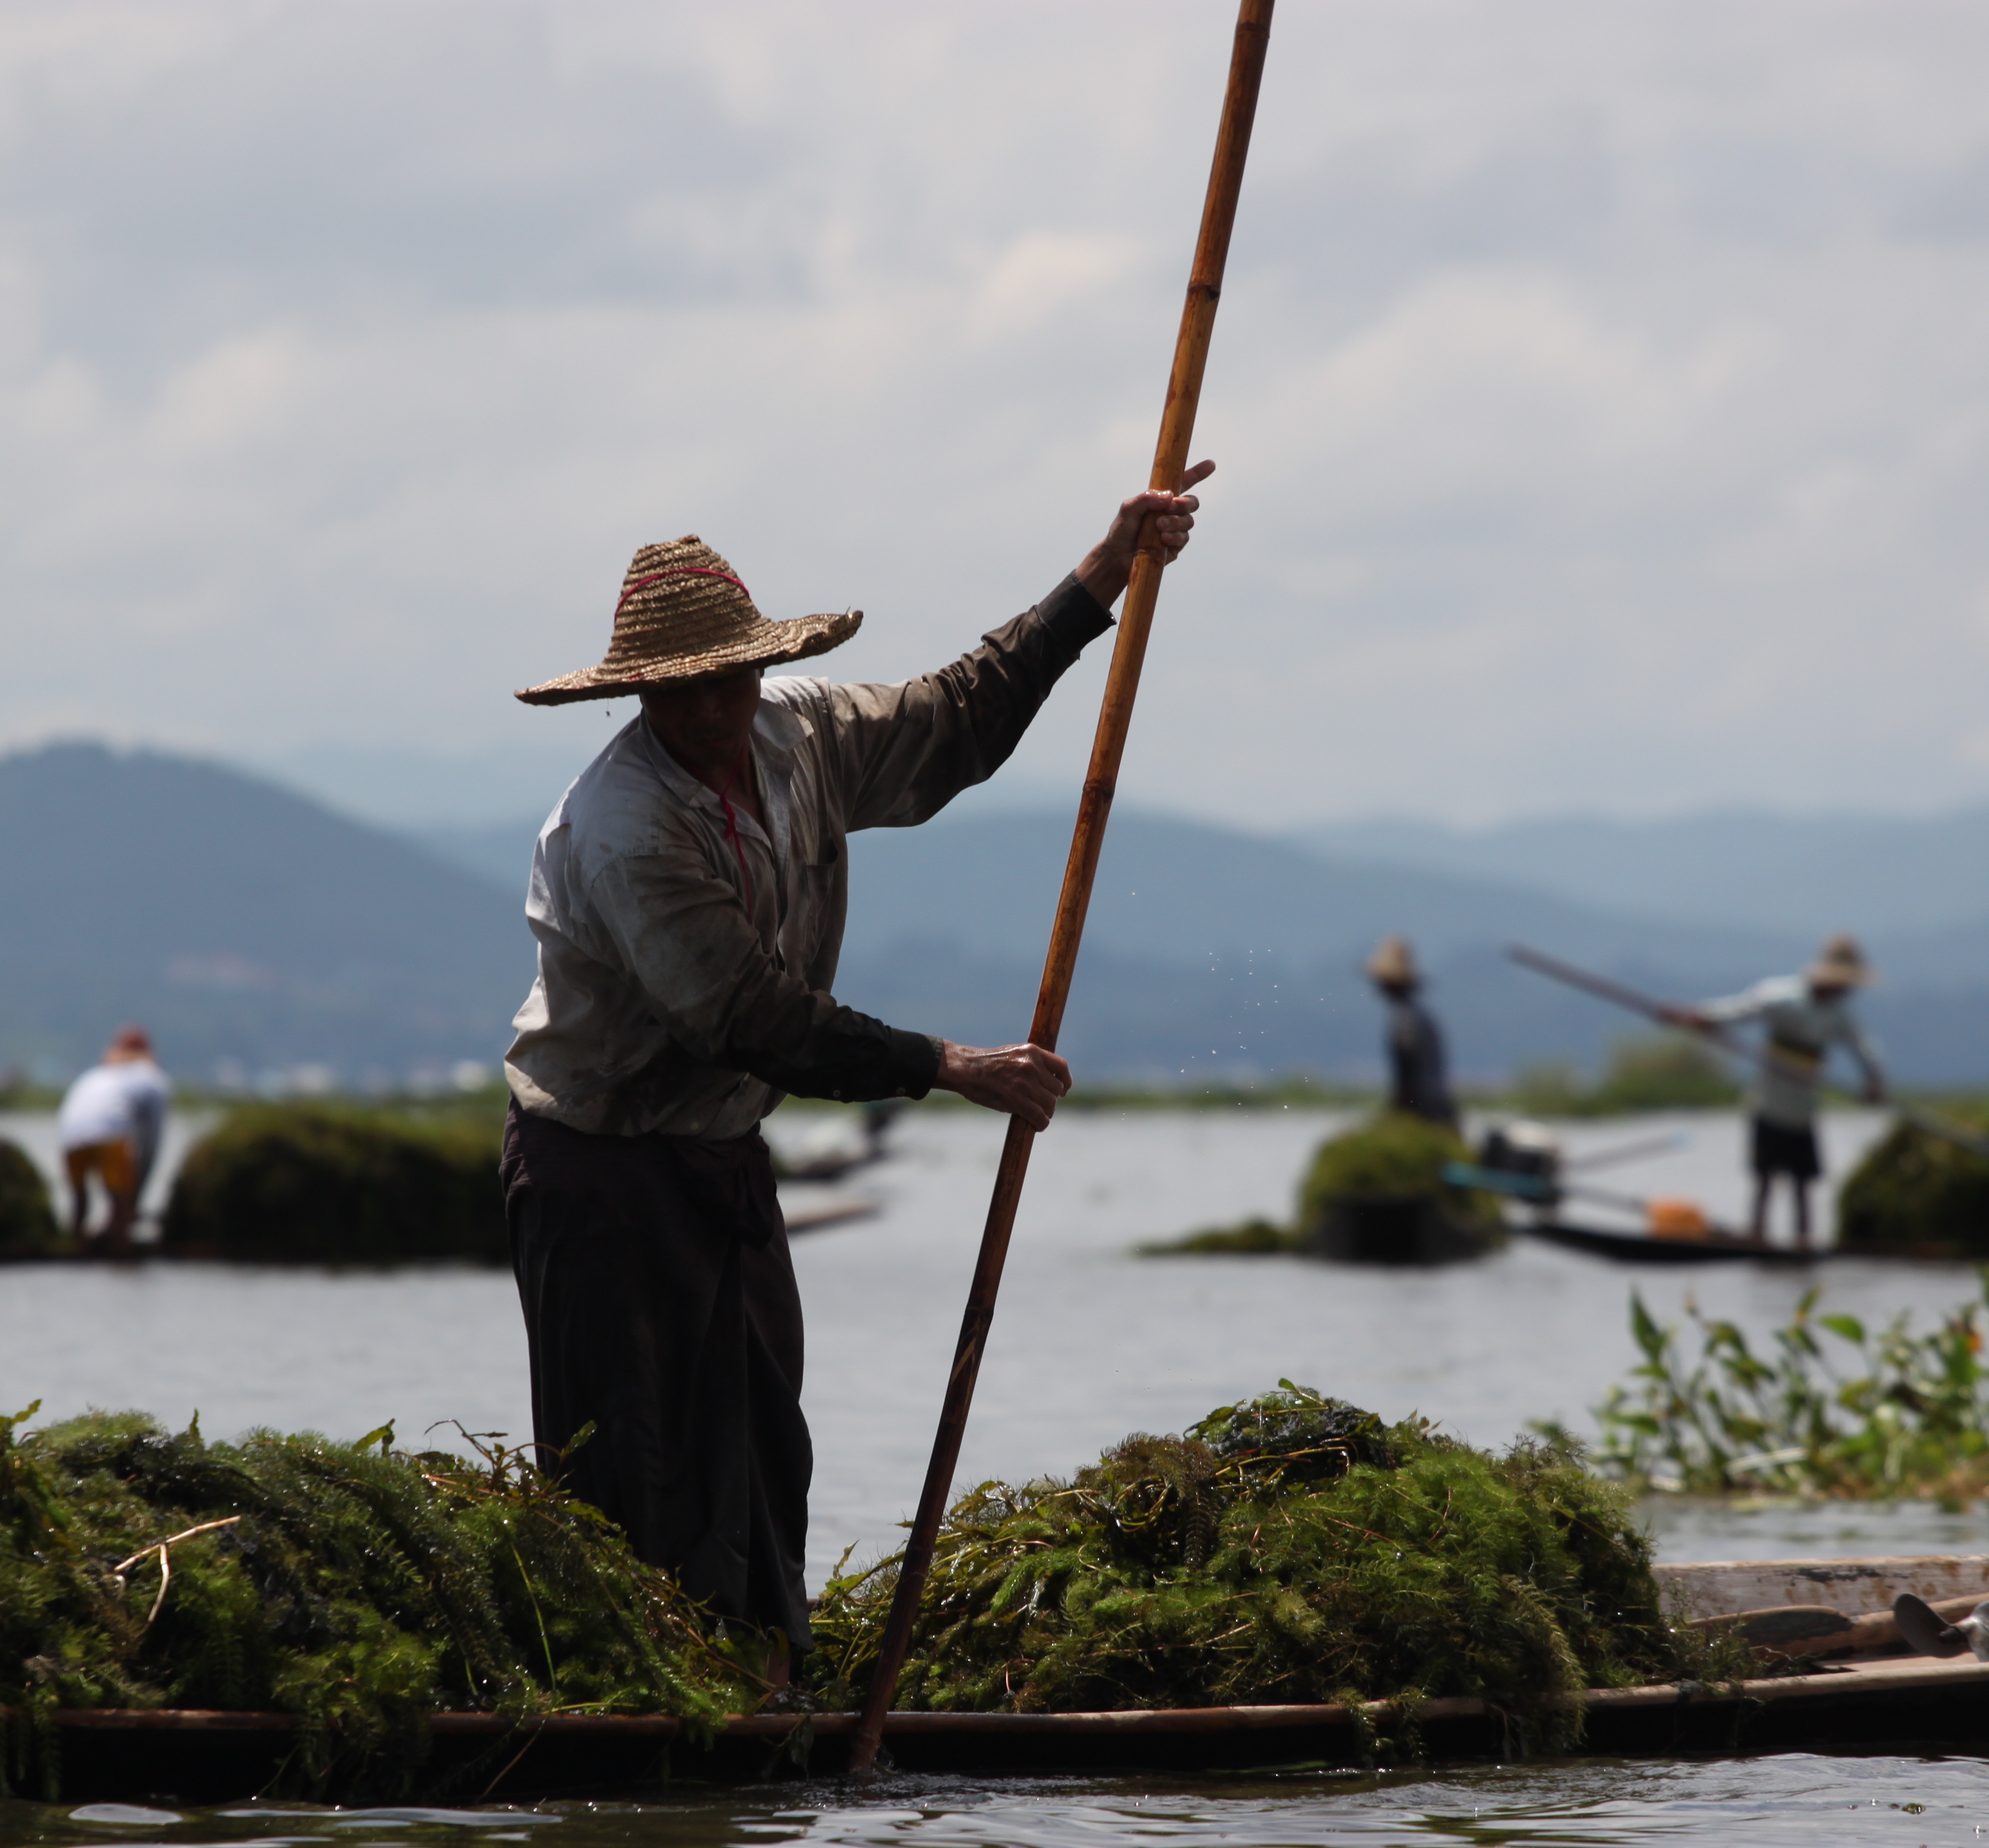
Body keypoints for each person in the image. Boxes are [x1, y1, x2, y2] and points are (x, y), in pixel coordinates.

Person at [500, 466, 1212, 1661]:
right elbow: (747, 1018)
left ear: (754, 667)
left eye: (729, 677)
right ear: (643, 696)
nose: (715, 707)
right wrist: (949, 1067)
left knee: (761, 1437)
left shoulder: (802, 737)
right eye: (683, 691)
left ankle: (772, 1681)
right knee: (627, 1463)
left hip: (720, 1157)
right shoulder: (623, 829)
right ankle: (628, 1703)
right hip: (600, 1172)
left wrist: (1103, 576)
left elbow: (960, 717)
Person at [1666, 935, 1885, 1251]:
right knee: (1765, 1178)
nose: (1847, 990)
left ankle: (1802, 1242)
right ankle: (1758, 1236)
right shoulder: (1780, 998)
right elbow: (1737, 1010)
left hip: (1803, 1109)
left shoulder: (1839, 1016)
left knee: (1802, 1183)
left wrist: (1874, 1081)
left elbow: (1865, 1050)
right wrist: (1698, 1018)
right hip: (1769, 1104)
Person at [58, 1027, 170, 1252]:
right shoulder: (153, 1077)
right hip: (110, 1132)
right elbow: (151, 1141)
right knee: (122, 1198)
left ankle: (77, 1242)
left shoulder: (96, 1073)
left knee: (80, 1196)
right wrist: (137, 1193)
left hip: (69, 1134)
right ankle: (120, 1250)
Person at [1365, 936, 1457, 1129]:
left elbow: (1408, 1083)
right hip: (1439, 1112)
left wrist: (1395, 1119)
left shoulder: (1405, 1021)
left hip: (1426, 1117)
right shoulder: (1420, 1016)